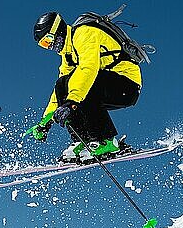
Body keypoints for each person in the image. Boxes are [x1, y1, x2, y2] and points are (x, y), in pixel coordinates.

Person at [30, 11, 142, 163]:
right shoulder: (68, 55)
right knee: (63, 84)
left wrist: (71, 103)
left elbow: (88, 69)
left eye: (48, 39)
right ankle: (82, 140)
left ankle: (107, 141)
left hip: (126, 84)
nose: (50, 45)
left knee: (82, 87)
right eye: (44, 44)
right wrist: (45, 122)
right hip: (103, 85)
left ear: (59, 29)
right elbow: (60, 91)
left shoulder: (84, 34)